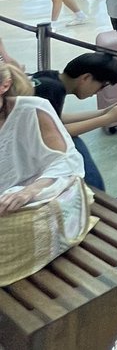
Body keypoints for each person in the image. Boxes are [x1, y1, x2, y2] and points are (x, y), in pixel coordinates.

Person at [0, 62, 92, 287]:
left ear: (5, 85)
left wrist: (30, 190)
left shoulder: (33, 109)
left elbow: (65, 161)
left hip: (38, 188)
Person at [30, 53, 117, 191]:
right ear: (86, 77)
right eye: (102, 86)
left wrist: (103, 112)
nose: (97, 92)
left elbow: (55, 118)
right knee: (75, 150)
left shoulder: (48, 78)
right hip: (24, 148)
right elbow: (58, 132)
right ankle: (97, 199)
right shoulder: (53, 89)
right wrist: (107, 119)